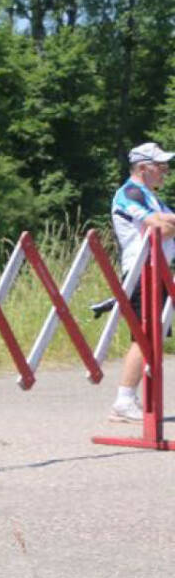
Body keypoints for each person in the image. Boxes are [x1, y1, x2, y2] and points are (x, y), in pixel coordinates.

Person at [107, 141, 175, 422]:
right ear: (144, 167)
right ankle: (124, 400)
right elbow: (159, 227)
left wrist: (166, 221)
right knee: (146, 337)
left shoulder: (150, 196)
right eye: (161, 166)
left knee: (153, 337)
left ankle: (128, 398)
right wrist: (165, 222)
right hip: (141, 271)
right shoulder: (130, 192)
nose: (166, 172)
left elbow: (167, 222)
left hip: (157, 270)